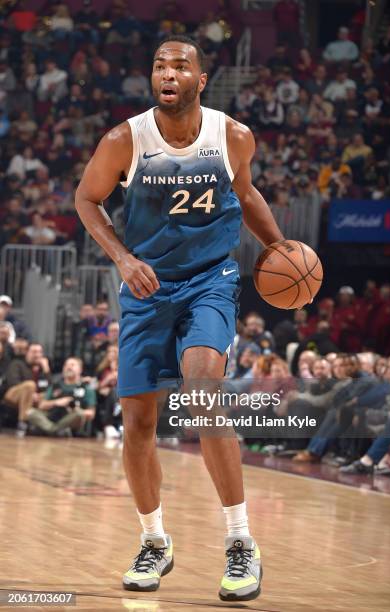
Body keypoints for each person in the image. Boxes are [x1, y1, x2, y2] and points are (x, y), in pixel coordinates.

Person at [75, 35, 292, 601]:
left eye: (180, 66)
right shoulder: (125, 140)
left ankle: (241, 542)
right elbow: (85, 199)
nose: (168, 73)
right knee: (139, 424)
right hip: (146, 288)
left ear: (200, 80)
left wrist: (279, 249)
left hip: (209, 281)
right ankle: (154, 540)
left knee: (202, 390)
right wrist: (122, 258)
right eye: (159, 66)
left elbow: (245, 194)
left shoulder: (233, 136)